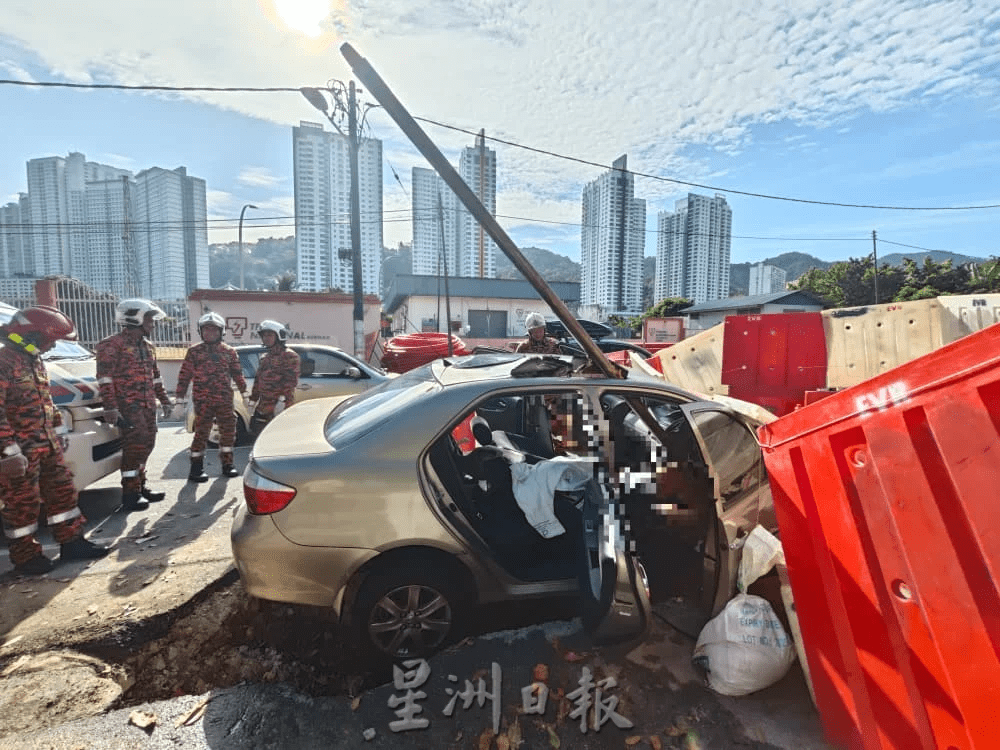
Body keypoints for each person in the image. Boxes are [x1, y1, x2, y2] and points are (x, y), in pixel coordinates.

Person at [0, 306, 111, 574]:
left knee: (63, 495)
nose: (52, 346)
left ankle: (72, 543)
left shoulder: (33, 360)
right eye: (49, 340)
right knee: (21, 506)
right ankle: (27, 559)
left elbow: (45, 402)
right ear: (31, 334)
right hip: (20, 452)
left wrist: (57, 433)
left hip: (47, 443)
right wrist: (8, 453)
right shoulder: (5, 362)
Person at [95, 299, 174, 512]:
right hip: (128, 407)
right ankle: (130, 494)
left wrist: (164, 400)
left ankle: (140, 486)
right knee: (134, 448)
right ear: (134, 317)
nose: (152, 324)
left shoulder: (148, 347)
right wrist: (110, 407)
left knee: (147, 445)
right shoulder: (111, 345)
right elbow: (105, 379)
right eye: (149, 319)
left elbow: (155, 377)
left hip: (148, 406)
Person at [174, 312, 247, 482]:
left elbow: (237, 374)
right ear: (201, 332)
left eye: (214, 330)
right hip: (203, 401)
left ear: (221, 331)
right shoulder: (194, 351)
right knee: (201, 433)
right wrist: (179, 400)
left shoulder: (229, 352)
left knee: (228, 433)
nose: (210, 333)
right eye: (206, 330)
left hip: (224, 400)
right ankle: (196, 468)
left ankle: (228, 465)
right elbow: (184, 376)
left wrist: (245, 395)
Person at [247, 320, 299, 437]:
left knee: (279, 439)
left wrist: (282, 401)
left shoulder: (289, 356)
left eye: (270, 335)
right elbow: (258, 380)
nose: (266, 338)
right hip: (263, 407)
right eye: (264, 335)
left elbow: (290, 382)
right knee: (259, 436)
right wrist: (253, 400)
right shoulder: (265, 358)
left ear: (279, 336)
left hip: (279, 406)